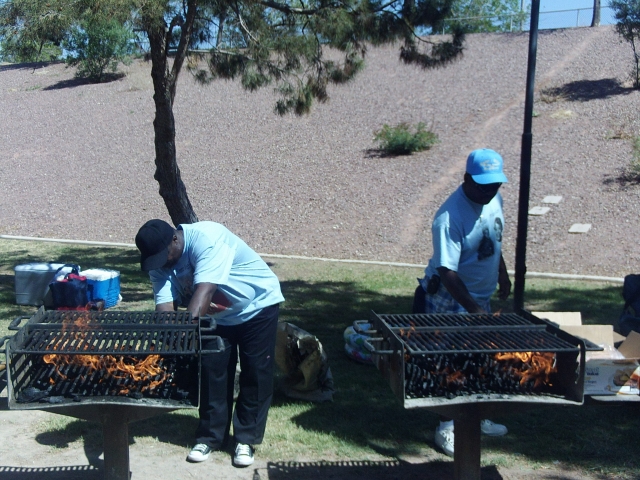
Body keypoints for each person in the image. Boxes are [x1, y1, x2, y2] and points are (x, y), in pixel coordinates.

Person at [135, 219, 284, 467]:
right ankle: (210, 437)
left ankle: (245, 439)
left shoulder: (208, 239)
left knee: (255, 373)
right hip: (219, 316)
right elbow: (164, 308)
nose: (162, 263)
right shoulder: (159, 260)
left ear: (175, 239)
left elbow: (204, 293)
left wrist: (182, 340)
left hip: (258, 306)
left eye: (165, 256)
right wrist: (166, 343)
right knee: (212, 372)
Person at [413, 148, 512, 457]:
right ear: (467, 179)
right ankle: (446, 426)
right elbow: (446, 271)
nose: (489, 191)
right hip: (450, 297)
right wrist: (474, 309)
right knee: (450, 362)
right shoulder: (449, 217)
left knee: (480, 358)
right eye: (483, 185)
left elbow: (493, 240)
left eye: (495, 185)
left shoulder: (494, 198)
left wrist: (503, 274)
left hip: (479, 295)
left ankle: (475, 416)